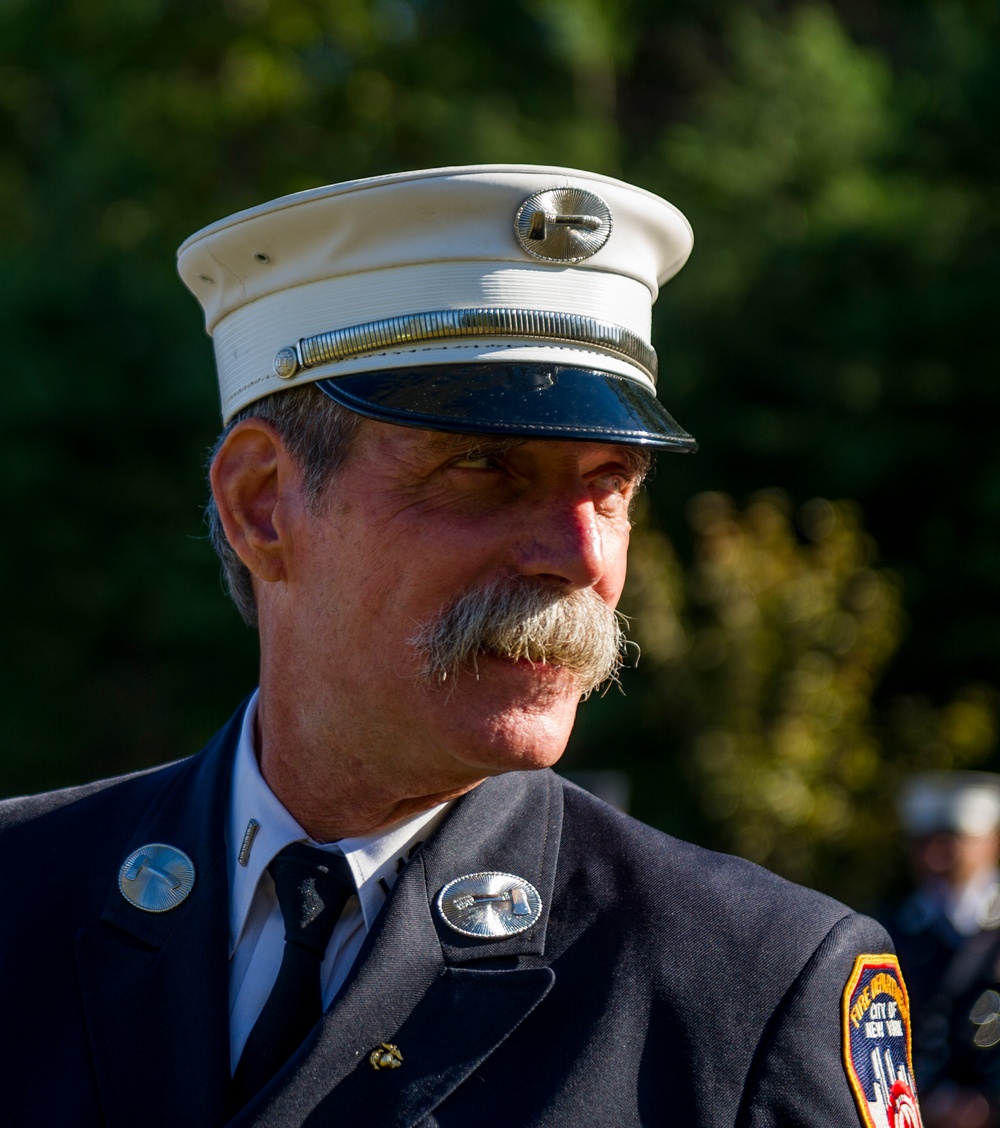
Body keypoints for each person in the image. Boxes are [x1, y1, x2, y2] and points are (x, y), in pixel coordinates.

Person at [0, 165, 921, 1127]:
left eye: (611, 483)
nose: (579, 556)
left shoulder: (749, 985)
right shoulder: (22, 893)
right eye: (482, 466)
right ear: (262, 504)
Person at [887, 772, 1000, 1127]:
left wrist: (990, 1101)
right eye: (922, 843)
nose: (934, 856)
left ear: (991, 841)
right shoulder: (890, 927)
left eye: (951, 840)